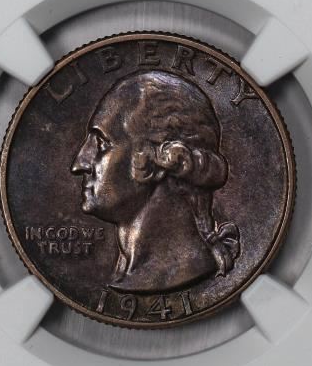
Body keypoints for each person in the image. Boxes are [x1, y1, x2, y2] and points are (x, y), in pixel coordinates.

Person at [71, 70, 240, 293]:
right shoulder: (129, 275)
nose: (79, 164)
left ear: (159, 161)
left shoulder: (182, 272)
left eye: (102, 143)